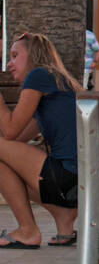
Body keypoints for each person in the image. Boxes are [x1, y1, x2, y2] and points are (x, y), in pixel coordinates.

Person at [0, 32, 79, 248]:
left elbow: (9, 132)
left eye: (15, 55)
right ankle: (64, 219)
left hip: (68, 178)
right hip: (74, 182)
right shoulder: (54, 82)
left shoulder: (38, 76)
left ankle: (27, 230)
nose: (9, 63)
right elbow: (16, 139)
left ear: (33, 55)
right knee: (4, 159)